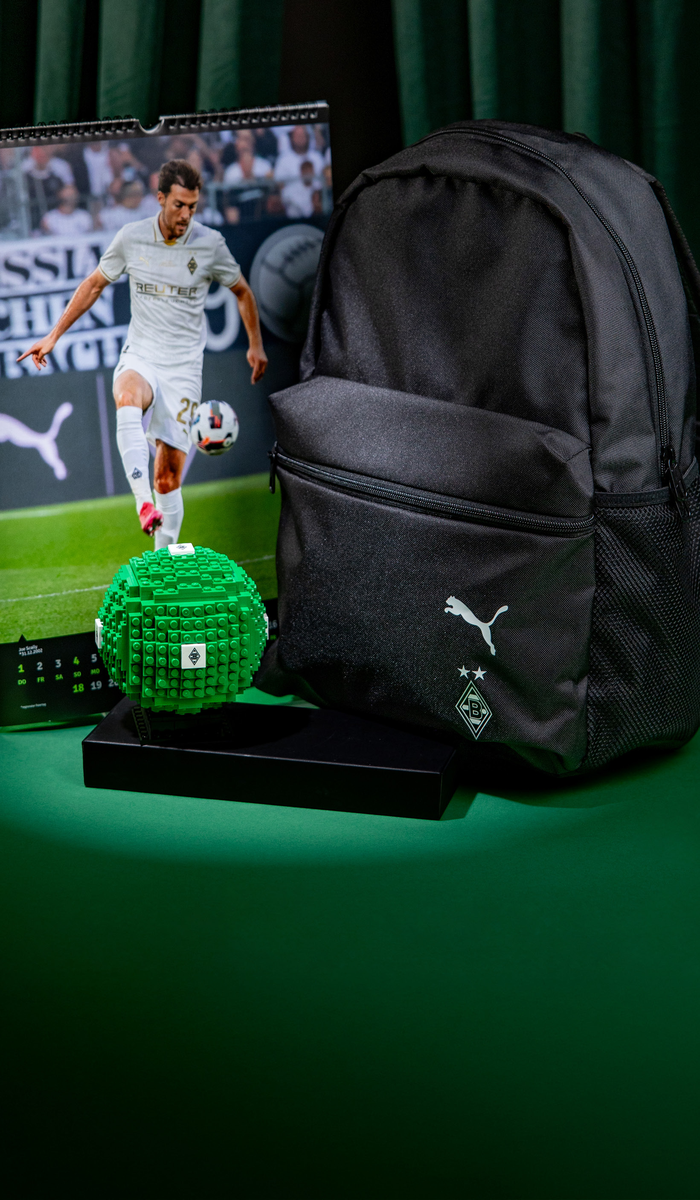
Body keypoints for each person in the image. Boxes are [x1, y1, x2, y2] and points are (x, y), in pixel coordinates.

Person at [18, 158, 267, 549]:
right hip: (143, 352)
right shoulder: (132, 237)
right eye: (178, 205)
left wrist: (255, 344)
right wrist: (54, 335)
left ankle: (162, 562)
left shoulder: (210, 243)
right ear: (160, 198)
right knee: (127, 396)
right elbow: (94, 284)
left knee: (168, 477)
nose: (185, 215)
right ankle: (142, 503)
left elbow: (243, 292)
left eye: (192, 206)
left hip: (184, 368)